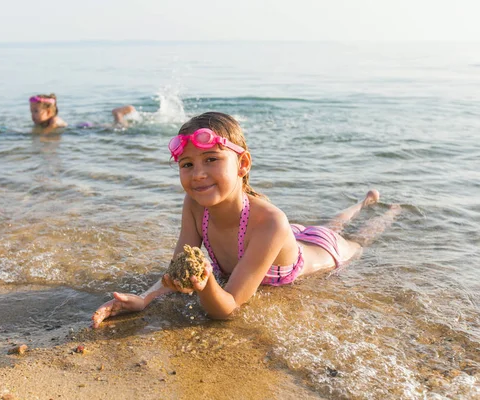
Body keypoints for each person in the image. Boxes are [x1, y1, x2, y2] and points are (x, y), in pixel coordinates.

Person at [92, 112, 401, 327]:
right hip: (277, 238)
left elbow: (226, 309)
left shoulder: (270, 221)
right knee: (332, 223)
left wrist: (206, 283)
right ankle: (364, 202)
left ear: (243, 164)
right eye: (187, 164)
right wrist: (144, 299)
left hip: (325, 253)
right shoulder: (194, 204)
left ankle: (382, 209)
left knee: (356, 238)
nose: (197, 174)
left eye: (211, 159)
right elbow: (177, 274)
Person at [30, 94, 137, 133]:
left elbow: (44, 134)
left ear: (49, 111)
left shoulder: (54, 120)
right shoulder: (42, 122)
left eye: (36, 111)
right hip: (79, 127)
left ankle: (118, 113)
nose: (32, 115)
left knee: (119, 128)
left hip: (86, 128)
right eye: (31, 111)